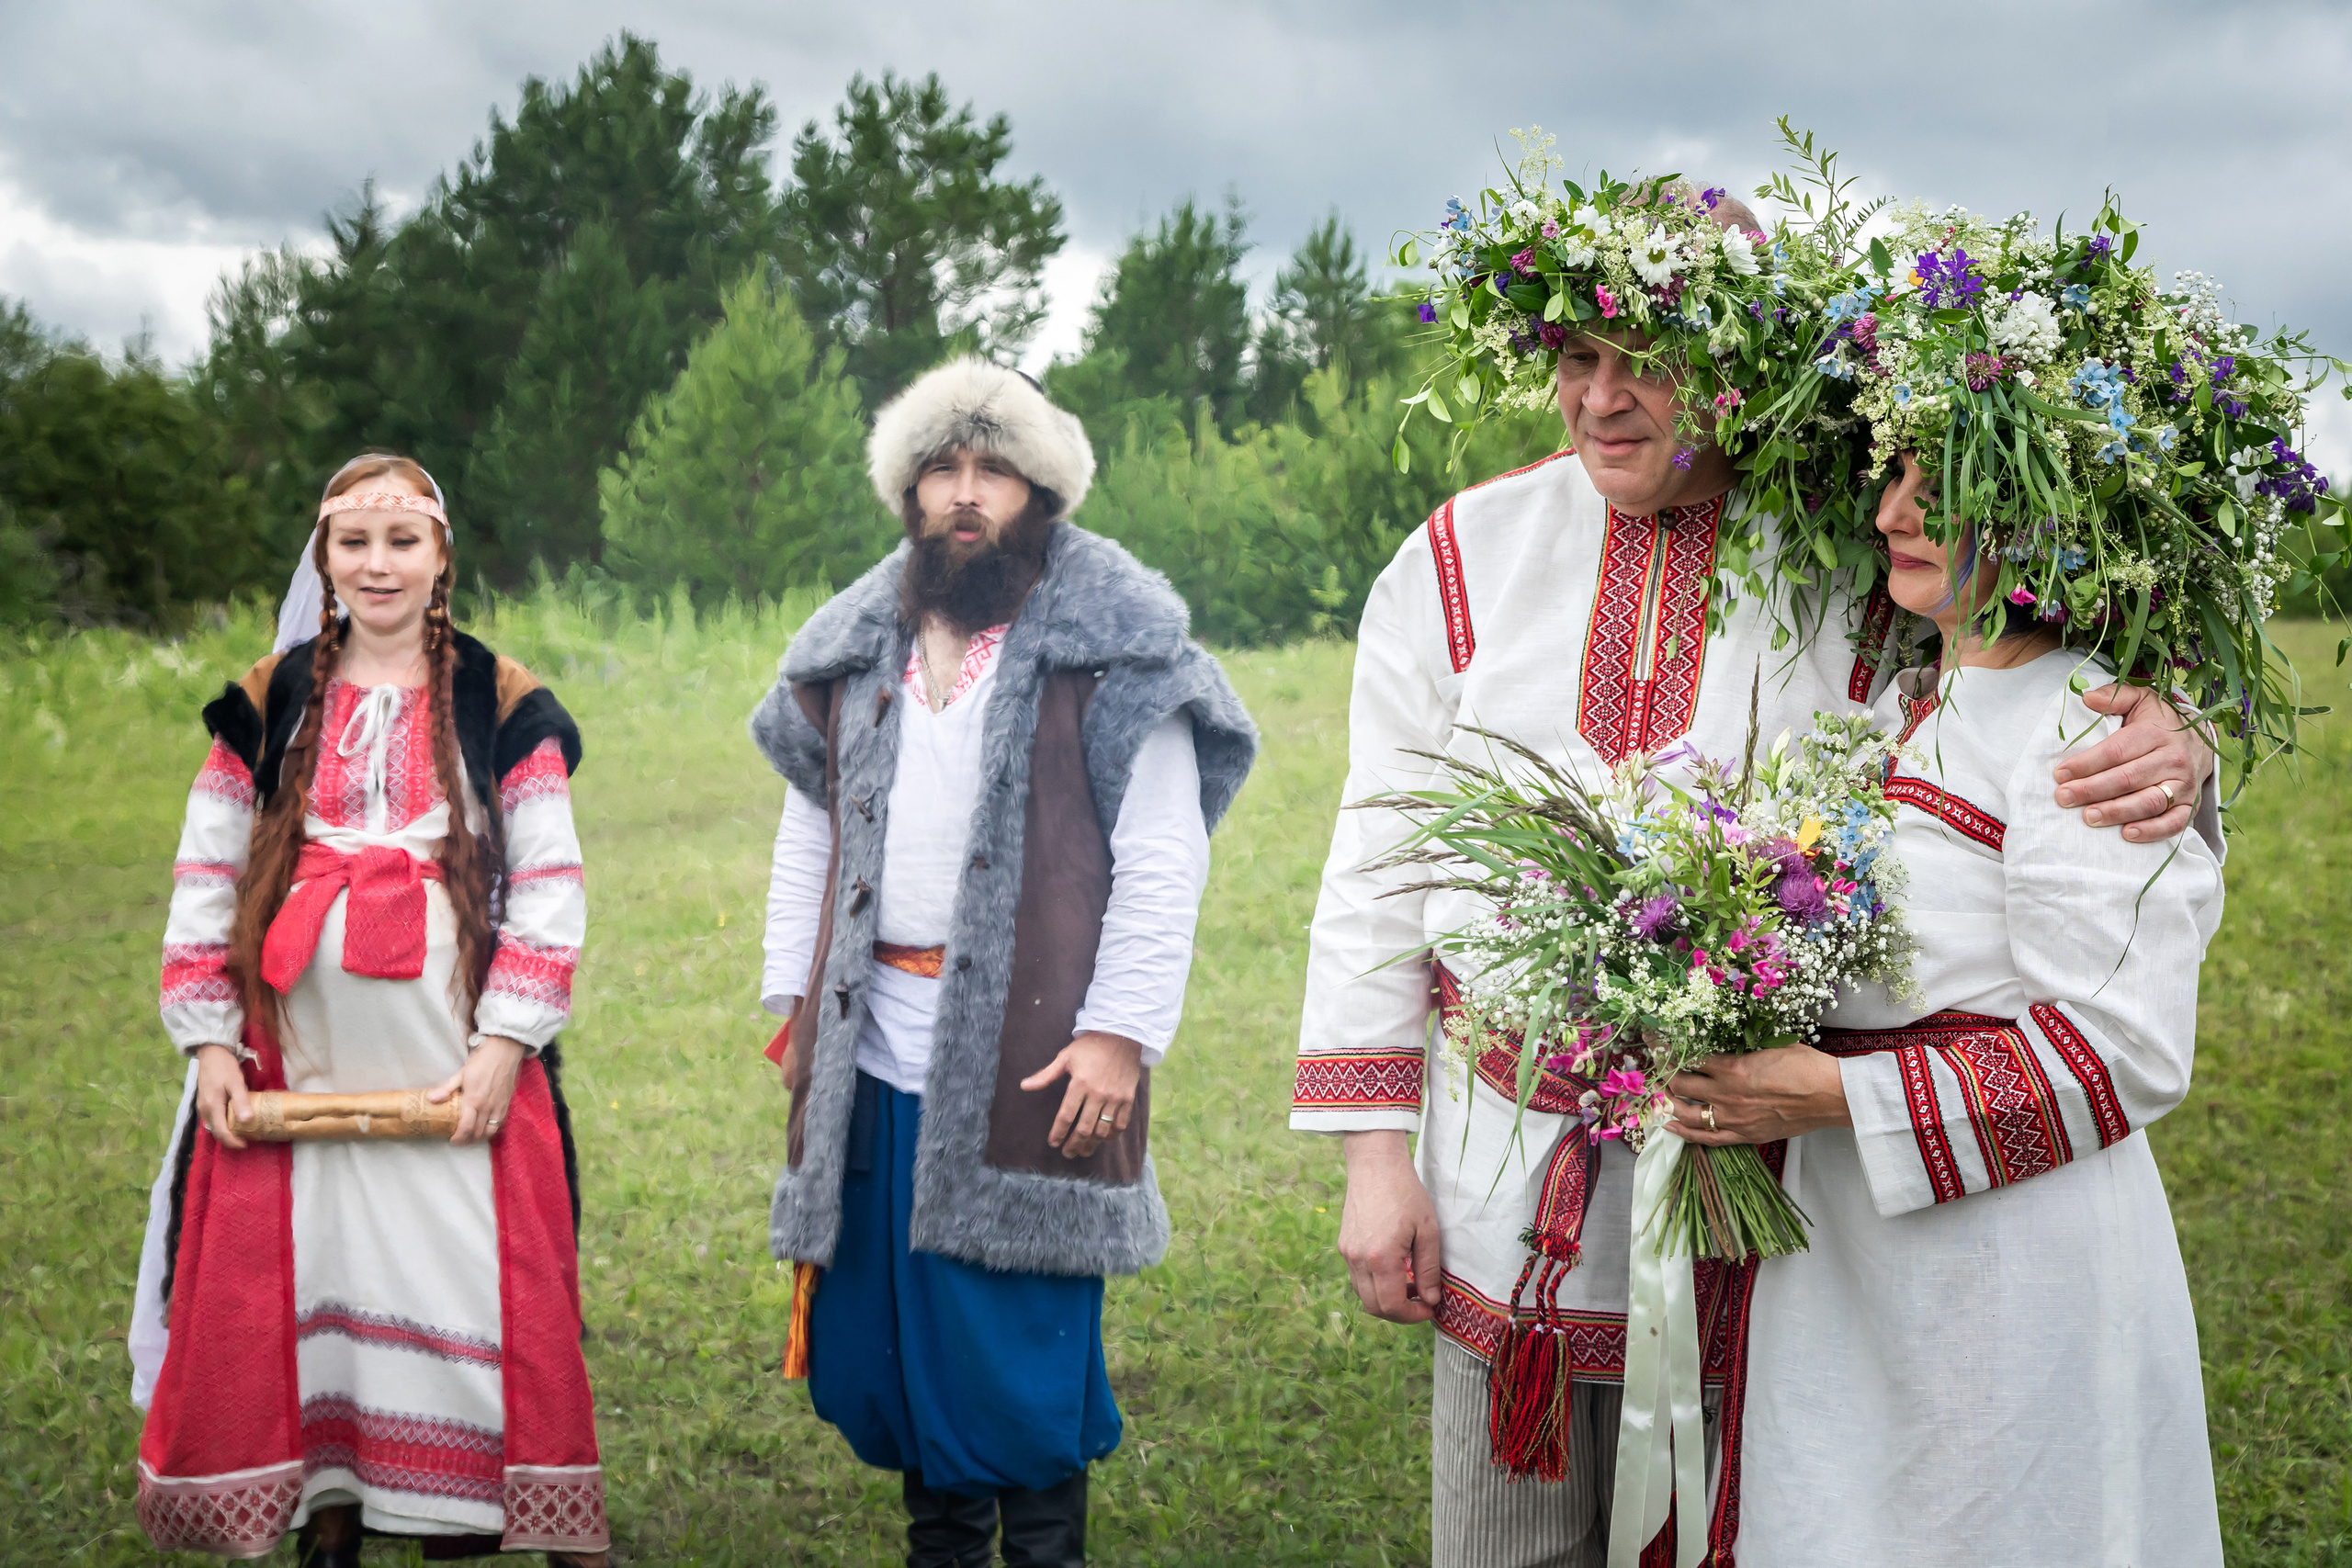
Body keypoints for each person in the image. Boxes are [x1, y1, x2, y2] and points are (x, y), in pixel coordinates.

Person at [1291, 192, 2224, 1567]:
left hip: (1782, 1205)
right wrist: (1377, 1160)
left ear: (1739, 363)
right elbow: (1380, 852)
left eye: (1648, 358)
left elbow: (2040, 702)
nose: (1602, 401)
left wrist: (2184, 733)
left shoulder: (1861, 547)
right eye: (1572, 357)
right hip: (1500, 1169)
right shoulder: (1459, 556)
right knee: (1505, 1543)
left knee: (1775, 1516)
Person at [1666, 451, 2225, 1565]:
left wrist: (1835, 1095)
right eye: (1891, 481)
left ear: (2049, 497)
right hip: (1853, 1256)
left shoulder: (2087, 726)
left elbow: (2127, 1047)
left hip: (2008, 1266)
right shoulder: (1899, 707)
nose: (1890, 516)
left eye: (1939, 488)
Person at [751, 358, 1257, 1568]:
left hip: (1040, 1052)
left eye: (994, 468)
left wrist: (1121, 1030)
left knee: (1017, 1345)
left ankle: (1043, 1550)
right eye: (943, 466)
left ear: (1041, 487)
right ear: (909, 486)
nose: (966, 493)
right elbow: (810, 826)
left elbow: (1160, 852)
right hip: (874, 1041)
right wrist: (794, 1009)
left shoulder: (1119, 645)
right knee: (896, 1331)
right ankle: (941, 1544)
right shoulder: (855, 641)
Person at [136, 455, 606, 1565]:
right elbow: (206, 872)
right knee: (319, 1267)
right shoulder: (272, 694)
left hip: (452, 1058)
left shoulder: (500, 697)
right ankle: (332, 1506)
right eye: (354, 542)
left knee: (460, 1272)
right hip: (298, 1060)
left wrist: (505, 1046)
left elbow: (548, 885)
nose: (377, 565)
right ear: (325, 558)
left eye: (402, 541)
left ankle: (458, 1510)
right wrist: (208, 1041)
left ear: (443, 556)